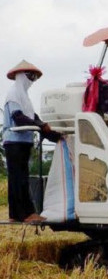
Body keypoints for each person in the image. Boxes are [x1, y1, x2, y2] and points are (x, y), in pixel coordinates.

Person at [3, 60, 61, 223]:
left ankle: (14, 215)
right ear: (21, 76)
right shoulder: (14, 93)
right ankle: (27, 213)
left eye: (34, 77)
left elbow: (33, 117)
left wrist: (54, 135)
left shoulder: (24, 96)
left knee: (17, 178)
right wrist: (41, 126)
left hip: (23, 141)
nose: (32, 80)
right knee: (20, 178)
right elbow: (18, 117)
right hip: (15, 141)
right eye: (31, 76)